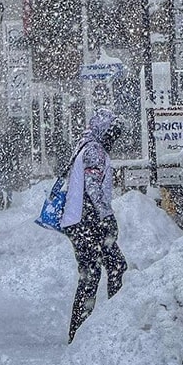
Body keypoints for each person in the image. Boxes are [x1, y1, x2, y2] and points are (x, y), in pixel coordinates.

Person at [60, 108, 128, 344]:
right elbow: (92, 186)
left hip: (81, 221)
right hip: (88, 221)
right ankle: (106, 327)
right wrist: (106, 216)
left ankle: (81, 331)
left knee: (96, 272)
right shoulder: (94, 151)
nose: (114, 139)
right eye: (113, 134)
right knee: (112, 268)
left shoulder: (85, 145)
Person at [0, 130, 16, 210]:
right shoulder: (8, 146)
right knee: (5, 186)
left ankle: (4, 199)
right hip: (4, 169)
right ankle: (6, 199)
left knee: (2, 186)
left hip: (3, 169)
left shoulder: (4, 147)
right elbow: (13, 157)